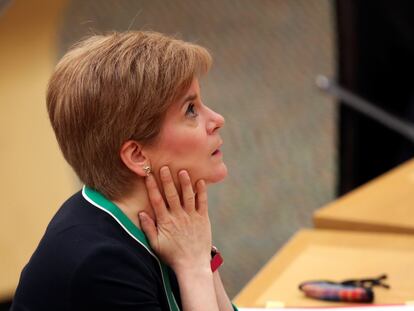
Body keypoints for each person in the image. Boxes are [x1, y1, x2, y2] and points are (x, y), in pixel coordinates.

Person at [11, 31, 237, 311]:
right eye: (191, 109)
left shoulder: (171, 223)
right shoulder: (99, 264)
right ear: (137, 155)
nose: (217, 119)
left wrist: (200, 256)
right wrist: (194, 266)